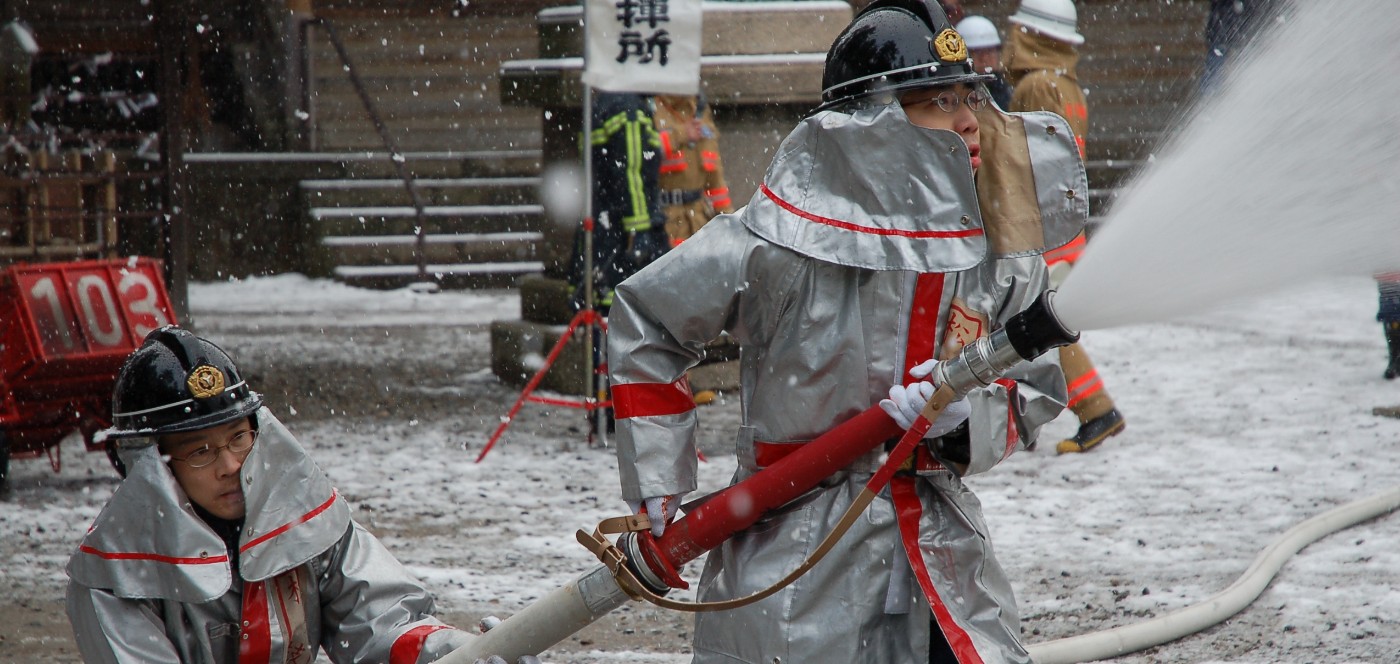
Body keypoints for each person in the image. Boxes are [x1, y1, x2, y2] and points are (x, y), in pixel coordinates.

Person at [606, 0, 1087, 661]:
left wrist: (964, 422)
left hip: (938, 554)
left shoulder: (1000, 253)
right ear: (871, 122)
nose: (969, 121)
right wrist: (659, 475)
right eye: (939, 102)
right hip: (790, 557)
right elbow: (648, 317)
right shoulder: (775, 241)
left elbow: (1034, 389)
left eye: (968, 97)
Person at [64, 326, 535, 664]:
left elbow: (385, 627)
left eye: (238, 438)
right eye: (200, 451)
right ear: (153, 469)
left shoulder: (307, 527)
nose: (231, 465)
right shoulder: (113, 581)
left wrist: (461, 654)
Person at [1004, 0, 1125, 455]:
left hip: (1040, 227)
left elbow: (1025, 161)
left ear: (1031, 36)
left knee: (1040, 324)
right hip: (1062, 222)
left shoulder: (1036, 85)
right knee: (1035, 321)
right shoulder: (1066, 84)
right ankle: (1032, 414)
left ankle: (1094, 408)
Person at [567, 91, 669, 315]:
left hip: (602, 229)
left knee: (604, 311)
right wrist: (640, 230)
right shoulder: (629, 110)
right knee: (631, 313)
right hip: (621, 235)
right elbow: (630, 173)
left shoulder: (605, 103)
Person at [653, 93, 735, 245]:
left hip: (699, 222)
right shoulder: (650, 107)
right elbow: (643, 152)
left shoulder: (699, 108)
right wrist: (680, 134)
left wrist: (728, 221)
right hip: (665, 222)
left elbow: (715, 179)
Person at [957, 15, 1013, 109]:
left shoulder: (1007, 91)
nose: (984, 58)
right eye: (976, 52)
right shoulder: (954, 94)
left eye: (990, 50)